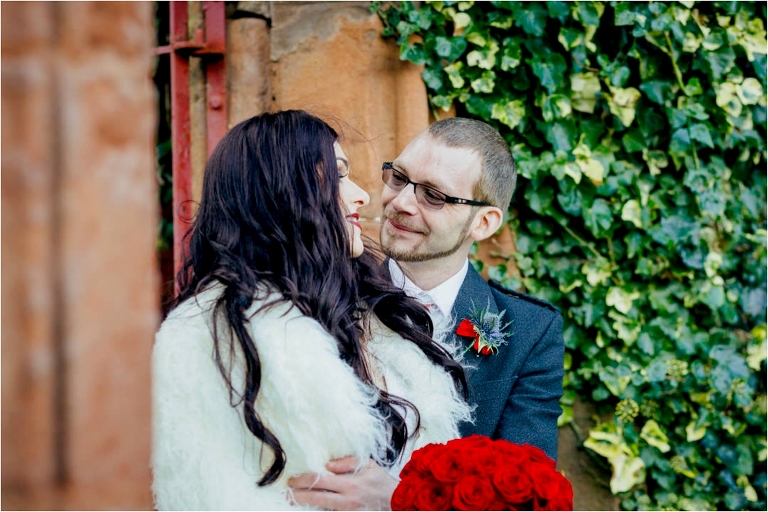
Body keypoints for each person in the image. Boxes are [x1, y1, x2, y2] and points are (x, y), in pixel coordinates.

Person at [151, 110, 471, 510]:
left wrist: (400, 499)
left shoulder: (370, 317)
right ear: (282, 192)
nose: (362, 194)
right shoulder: (208, 332)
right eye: (338, 174)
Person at [289, 117, 564, 510]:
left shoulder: (531, 331)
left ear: (483, 223)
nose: (400, 202)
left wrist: (400, 500)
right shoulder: (325, 293)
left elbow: (526, 499)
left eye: (434, 195)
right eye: (399, 177)